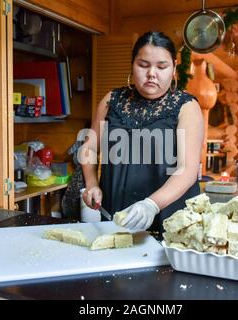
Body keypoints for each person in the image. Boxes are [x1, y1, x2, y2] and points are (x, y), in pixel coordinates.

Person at [80, 31, 204, 233]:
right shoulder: (112, 100)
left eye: (161, 66)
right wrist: (92, 183)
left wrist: (151, 205)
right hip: (116, 214)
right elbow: (90, 147)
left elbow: (188, 170)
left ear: (173, 68)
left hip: (170, 218)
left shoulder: (186, 107)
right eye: (143, 65)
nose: (152, 73)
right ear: (132, 65)